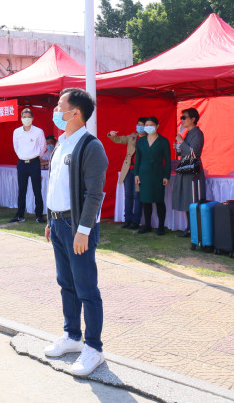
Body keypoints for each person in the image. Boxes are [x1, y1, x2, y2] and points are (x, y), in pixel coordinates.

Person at [43, 88, 108, 377]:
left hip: (77, 227)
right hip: (58, 224)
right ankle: (72, 336)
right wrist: (50, 220)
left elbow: (94, 194)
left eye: (60, 105)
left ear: (75, 113)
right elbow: (54, 185)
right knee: (66, 283)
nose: (56, 110)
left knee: (86, 287)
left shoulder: (90, 146)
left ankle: (94, 348)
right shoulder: (61, 144)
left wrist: (83, 230)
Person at [107, 117, 148, 230]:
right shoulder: (132, 136)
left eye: (141, 125)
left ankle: (136, 221)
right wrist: (112, 135)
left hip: (140, 170)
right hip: (128, 169)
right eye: (138, 124)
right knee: (128, 195)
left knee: (137, 195)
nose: (139, 127)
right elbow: (119, 139)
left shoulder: (149, 139)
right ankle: (127, 219)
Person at [134, 117, 171, 235]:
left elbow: (168, 161)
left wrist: (166, 176)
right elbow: (137, 159)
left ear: (157, 126)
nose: (148, 127)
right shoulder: (141, 141)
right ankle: (147, 225)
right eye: (146, 125)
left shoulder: (163, 141)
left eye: (151, 124)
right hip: (144, 174)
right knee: (146, 201)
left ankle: (161, 226)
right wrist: (136, 174)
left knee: (159, 200)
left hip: (158, 174)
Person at [172, 108, 205, 238]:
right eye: (181, 118)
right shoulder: (189, 133)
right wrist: (178, 148)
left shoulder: (198, 133)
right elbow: (185, 151)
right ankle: (189, 228)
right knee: (187, 199)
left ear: (193, 119)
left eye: (184, 117)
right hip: (186, 169)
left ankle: (194, 229)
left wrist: (181, 141)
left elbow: (194, 152)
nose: (182, 120)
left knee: (192, 199)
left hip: (192, 171)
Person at [11, 108, 47, 223]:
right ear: (21, 119)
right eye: (24, 117)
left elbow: (43, 147)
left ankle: (39, 215)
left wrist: (36, 157)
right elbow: (16, 147)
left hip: (34, 163)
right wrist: (23, 156)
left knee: (37, 189)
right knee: (22, 190)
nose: (26, 119)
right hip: (22, 163)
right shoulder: (17, 132)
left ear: (32, 118)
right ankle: (20, 215)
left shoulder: (38, 131)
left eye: (28, 117)